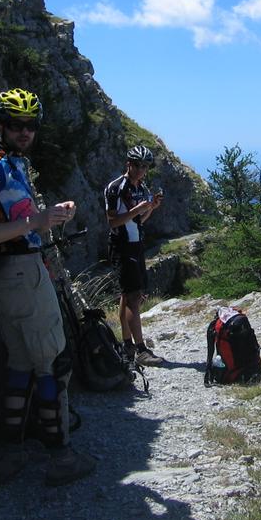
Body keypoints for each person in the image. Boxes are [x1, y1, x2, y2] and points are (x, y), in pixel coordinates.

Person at [0, 87, 95, 485]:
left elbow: (24, 217)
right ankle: (61, 457)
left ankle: (12, 451)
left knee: (21, 362)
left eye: (31, 125)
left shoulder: (13, 163)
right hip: (20, 272)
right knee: (52, 362)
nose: (25, 132)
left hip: (16, 272)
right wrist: (37, 222)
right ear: (0, 125)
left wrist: (52, 215)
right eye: (16, 125)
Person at [104, 145, 165, 366]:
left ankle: (127, 344)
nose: (141, 170)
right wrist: (136, 210)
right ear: (128, 163)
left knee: (128, 295)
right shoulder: (116, 188)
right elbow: (112, 222)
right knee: (133, 298)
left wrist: (151, 208)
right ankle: (140, 350)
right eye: (138, 165)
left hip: (136, 244)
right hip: (122, 245)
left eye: (146, 166)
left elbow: (138, 221)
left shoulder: (142, 186)